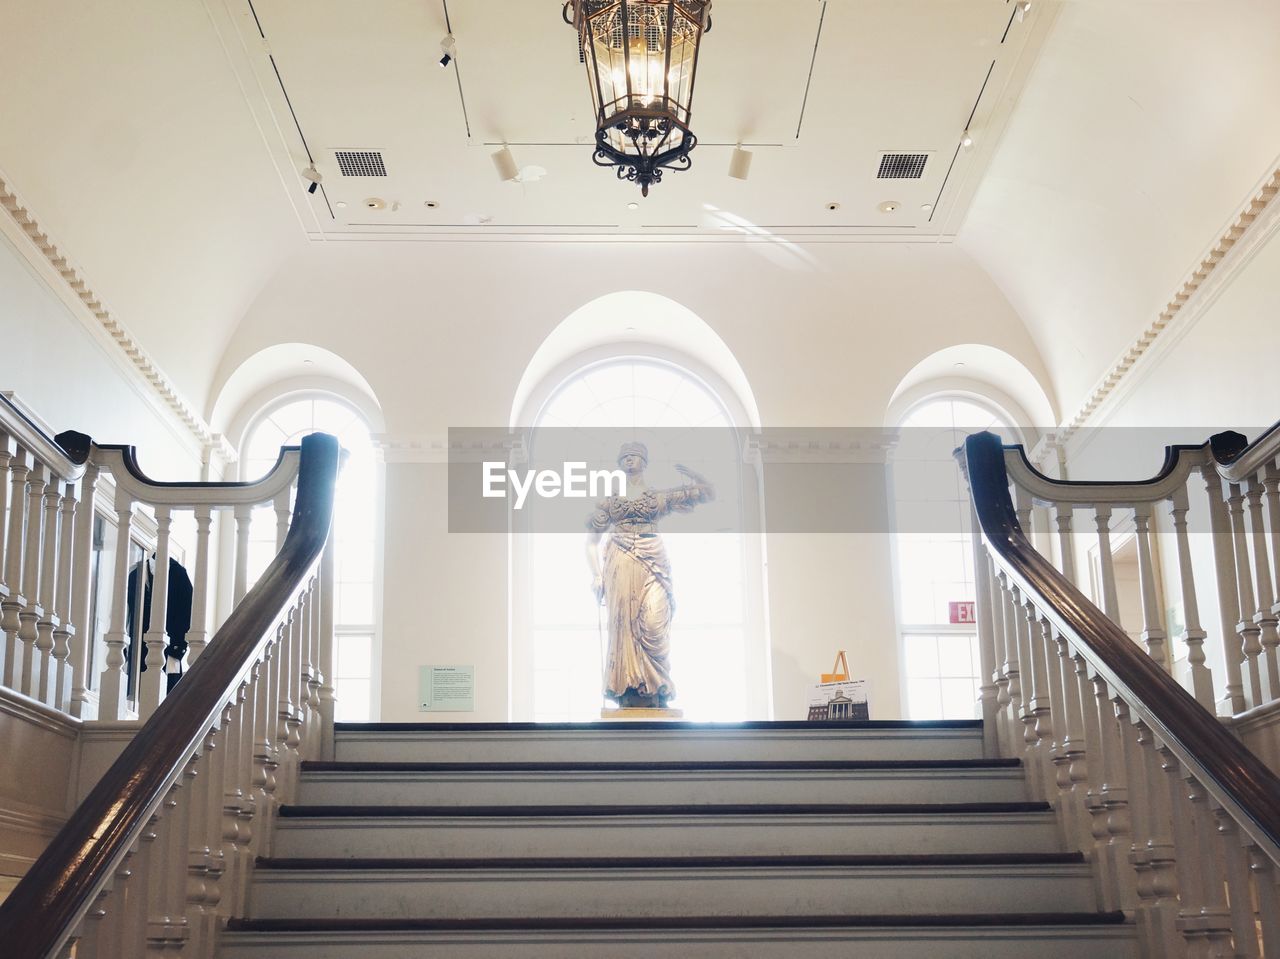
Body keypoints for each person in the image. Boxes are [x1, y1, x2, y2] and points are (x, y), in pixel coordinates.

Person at [585, 442, 714, 708]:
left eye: (634, 456)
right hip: (620, 560)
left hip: (653, 558)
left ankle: (657, 687)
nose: (629, 460)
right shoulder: (610, 501)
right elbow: (591, 542)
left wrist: (695, 476)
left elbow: (706, 493)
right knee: (623, 625)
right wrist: (597, 576)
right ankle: (629, 689)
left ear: (644, 461)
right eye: (625, 457)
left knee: (655, 624)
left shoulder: (657, 498)